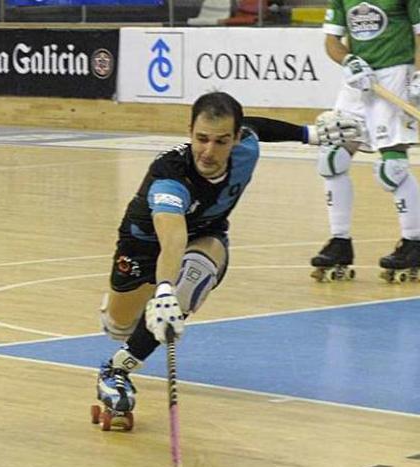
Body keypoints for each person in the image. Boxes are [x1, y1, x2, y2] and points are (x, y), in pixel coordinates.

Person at [93, 92, 363, 429]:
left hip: (206, 236)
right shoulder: (170, 175)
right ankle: (129, 316)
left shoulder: (246, 147)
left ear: (236, 138)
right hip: (145, 245)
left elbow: (258, 127)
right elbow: (172, 236)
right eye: (201, 139)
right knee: (120, 325)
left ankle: (117, 369)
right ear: (189, 131)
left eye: (221, 141)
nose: (209, 151)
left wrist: (308, 134)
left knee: (192, 280)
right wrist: (163, 289)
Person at [310, 0, 420, 282]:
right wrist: (349, 60)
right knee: (332, 158)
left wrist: (418, 77)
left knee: (391, 170)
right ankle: (339, 242)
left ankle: (414, 243)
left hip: (397, 75)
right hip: (359, 80)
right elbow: (332, 41)